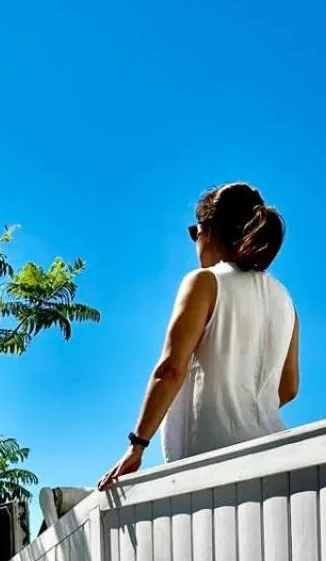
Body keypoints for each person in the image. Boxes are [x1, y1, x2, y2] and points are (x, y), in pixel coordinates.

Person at [97, 183, 298, 489]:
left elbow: (171, 369)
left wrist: (137, 446)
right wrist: (243, 407)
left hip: (211, 464)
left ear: (209, 231)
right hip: (274, 454)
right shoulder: (285, 300)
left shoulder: (204, 282)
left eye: (194, 232)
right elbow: (288, 388)